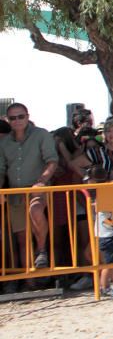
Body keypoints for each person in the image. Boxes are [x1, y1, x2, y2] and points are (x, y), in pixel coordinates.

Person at [0, 103, 59, 271]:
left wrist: (41, 181)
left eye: (21, 116)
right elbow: (1, 170)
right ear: (8, 120)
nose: (17, 121)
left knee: (35, 210)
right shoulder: (4, 143)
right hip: (15, 192)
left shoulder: (41, 135)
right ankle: (30, 281)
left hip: (38, 188)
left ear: (27, 116)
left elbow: (52, 161)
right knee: (22, 239)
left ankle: (42, 251)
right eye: (13, 118)